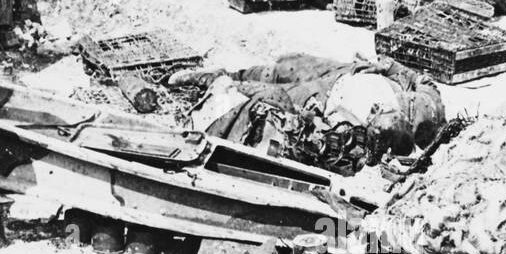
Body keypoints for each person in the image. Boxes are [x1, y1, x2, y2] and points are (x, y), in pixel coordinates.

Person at [169, 53, 445, 174]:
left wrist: (313, 118)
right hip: (343, 72)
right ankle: (229, 73)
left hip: (322, 99)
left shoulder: (371, 139)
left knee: (265, 91)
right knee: (287, 65)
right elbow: (423, 81)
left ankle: (214, 79)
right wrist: (389, 68)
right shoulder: (426, 105)